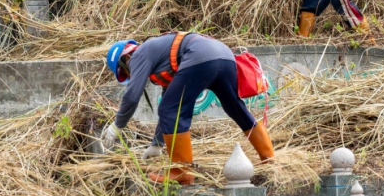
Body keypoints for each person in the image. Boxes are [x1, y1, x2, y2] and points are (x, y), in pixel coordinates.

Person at [101, 32, 275, 185]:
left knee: (171, 110)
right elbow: (169, 103)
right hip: (224, 55)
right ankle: (268, 158)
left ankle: (181, 171)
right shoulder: (160, 54)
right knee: (234, 107)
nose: (130, 74)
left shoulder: (139, 54)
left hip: (200, 56)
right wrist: (157, 143)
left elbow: (132, 96)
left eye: (126, 71)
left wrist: (117, 126)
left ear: (126, 59)